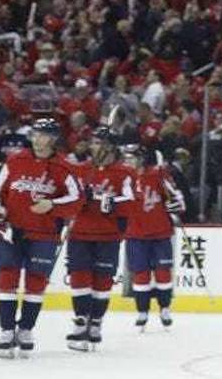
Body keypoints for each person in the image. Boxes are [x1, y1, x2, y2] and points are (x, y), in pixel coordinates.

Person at [0, 117, 82, 357]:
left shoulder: (64, 167)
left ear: (53, 139)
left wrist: (52, 204)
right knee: (7, 280)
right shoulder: (16, 160)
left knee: (35, 284)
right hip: (12, 231)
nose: (39, 140)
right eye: (36, 135)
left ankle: (26, 329)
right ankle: (7, 330)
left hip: (44, 234)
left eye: (44, 135)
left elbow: (77, 199)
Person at [65, 127, 135, 351]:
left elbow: (132, 202)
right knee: (79, 278)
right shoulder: (80, 170)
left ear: (110, 147)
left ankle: (95, 322)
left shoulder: (125, 172)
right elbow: (66, 197)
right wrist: (78, 199)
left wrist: (112, 202)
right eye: (92, 143)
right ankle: (80, 321)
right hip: (80, 233)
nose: (92, 147)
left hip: (108, 235)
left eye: (97, 143)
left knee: (102, 282)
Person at [123, 142, 186, 331]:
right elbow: (115, 205)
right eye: (126, 158)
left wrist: (175, 206)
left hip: (160, 233)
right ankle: (142, 312)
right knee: (140, 275)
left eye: (131, 158)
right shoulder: (123, 178)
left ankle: (165, 309)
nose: (128, 162)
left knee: (162, 273)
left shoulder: (157, 175)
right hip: (135, 234)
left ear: (141, 159)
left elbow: (178, 199)